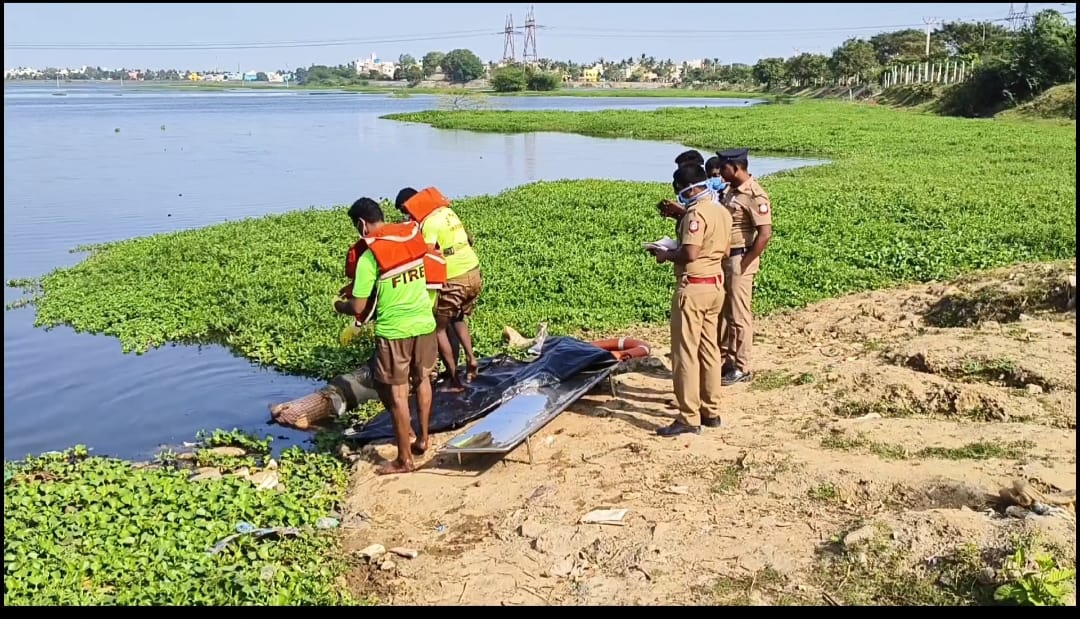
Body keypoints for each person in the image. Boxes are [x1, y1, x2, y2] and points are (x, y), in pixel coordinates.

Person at [334, 197, 438, 475]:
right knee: (423, 380)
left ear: (361, 224)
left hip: (395, 332)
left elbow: (358, 307)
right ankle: (423, 438)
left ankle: (404, 459)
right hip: (424, 323)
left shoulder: (370, 257)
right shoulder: (412, 239)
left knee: (398, 393)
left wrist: (339, 305)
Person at [647, 164, 732, 437]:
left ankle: (688, 416)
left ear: (689, 189)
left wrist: (665, 255)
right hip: (715, 285)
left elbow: (690, 253)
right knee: (710, 350)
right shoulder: (721, 210)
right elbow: (725, 250)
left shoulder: (696, 215)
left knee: (685, 353)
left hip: (693, 288)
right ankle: (711, 411)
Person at [395, 186, 483, 393]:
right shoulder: (447, 212)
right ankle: (471, 359)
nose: (407, 216)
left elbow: (425, 255)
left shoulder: (429, 223)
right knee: (458, 317)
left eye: (406, 212)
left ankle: (455, 381)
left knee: (438, 328)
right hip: (473, 272)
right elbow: (468, 239)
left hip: (455, 278)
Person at [714, 148, 773, 386]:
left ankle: (741, 366)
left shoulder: (754, 195)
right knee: (725, 312)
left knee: (739, 314)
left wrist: (746, 263)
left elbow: (765, 234)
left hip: (740, 258)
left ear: (736, 168)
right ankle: (727, 359)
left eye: (724, 167)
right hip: (726, 259)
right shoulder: (729, 190)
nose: (720, 172)